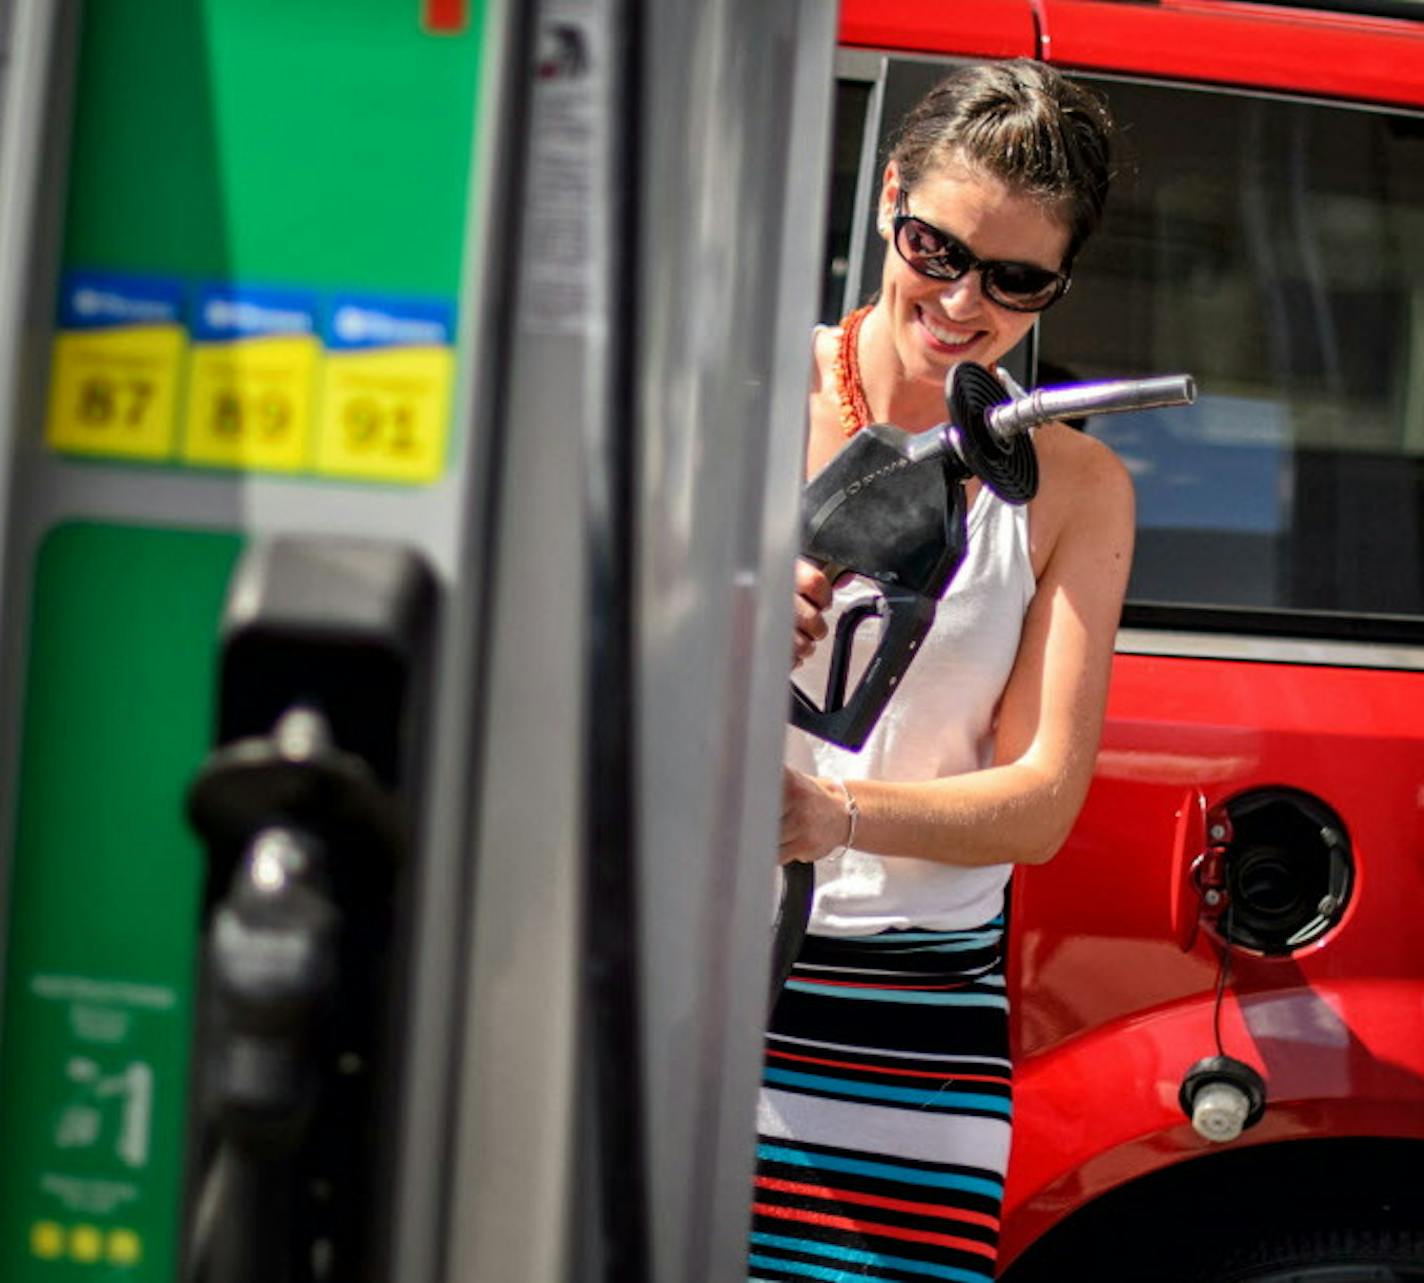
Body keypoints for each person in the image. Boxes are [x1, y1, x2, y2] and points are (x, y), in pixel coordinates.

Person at [751, 60, 1131, 1282]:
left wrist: (831, 813)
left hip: (913, 1013)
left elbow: (1039, 798)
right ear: (887, 200)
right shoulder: (734, 394)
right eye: (935, 248)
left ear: (1058, 281)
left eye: (1015, 279)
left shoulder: (1070, 484)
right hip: (684, 961)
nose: (961, 301)